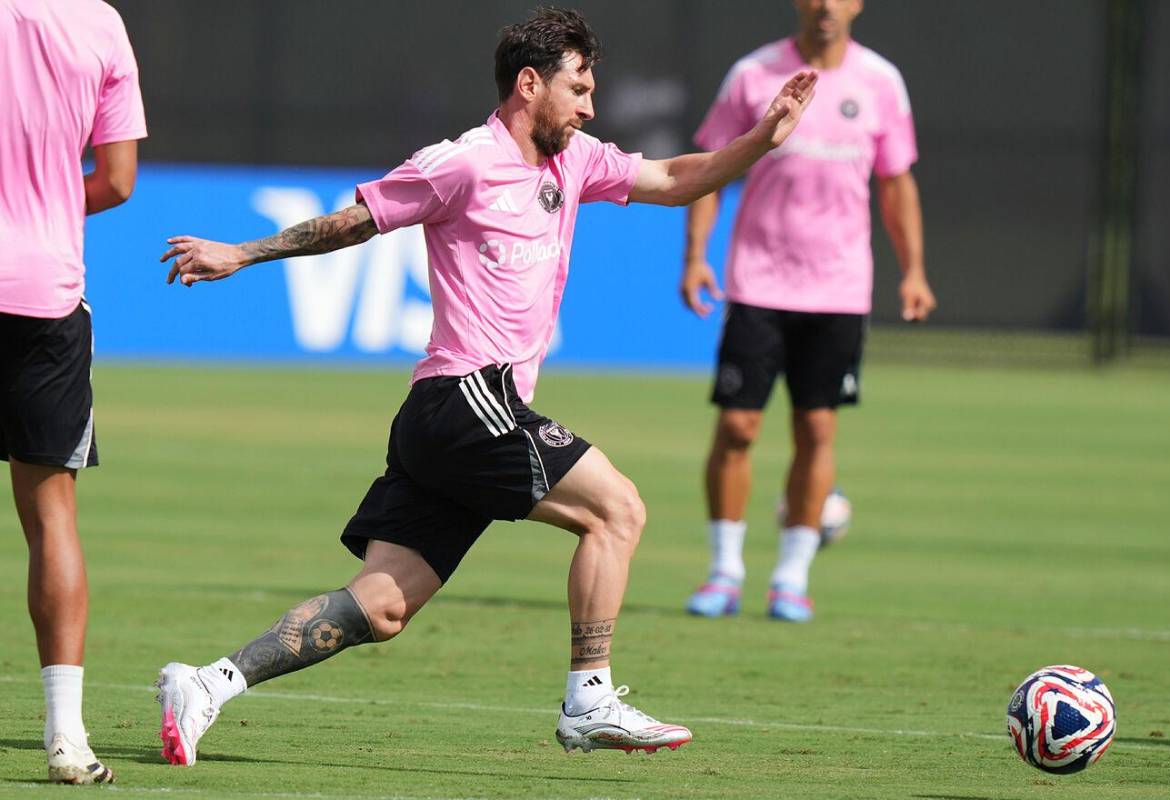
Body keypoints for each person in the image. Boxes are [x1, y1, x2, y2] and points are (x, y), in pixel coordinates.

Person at [153, 7, 817, 764]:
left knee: (384, 603)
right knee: (618, 510)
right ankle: (588, 697)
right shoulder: (461, 161)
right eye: (579, 87)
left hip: (453, 416)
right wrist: (241, 252)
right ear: (529, 84)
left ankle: (208, 683)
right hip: (466, 397)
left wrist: (762, 139)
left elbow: (674, 177)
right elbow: (354, 223)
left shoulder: (575, 160)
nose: (590, 105)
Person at [682, 0, 936, 622]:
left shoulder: (881, 81)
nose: (826, 6)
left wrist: (914, 271)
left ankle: (791, 575)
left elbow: (896, 183)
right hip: (759, 282)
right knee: (738, 427)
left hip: (839, 287)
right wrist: (695, 256)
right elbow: (711, 169)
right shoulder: (753, 74)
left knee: (816, 429)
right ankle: (725, 570)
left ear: (857, 5)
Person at [0, 0, 147, 784]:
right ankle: (65, 740)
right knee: (50, 517)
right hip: (45, 295)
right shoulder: (101, 24)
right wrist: (49, 203)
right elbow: (118, 180)